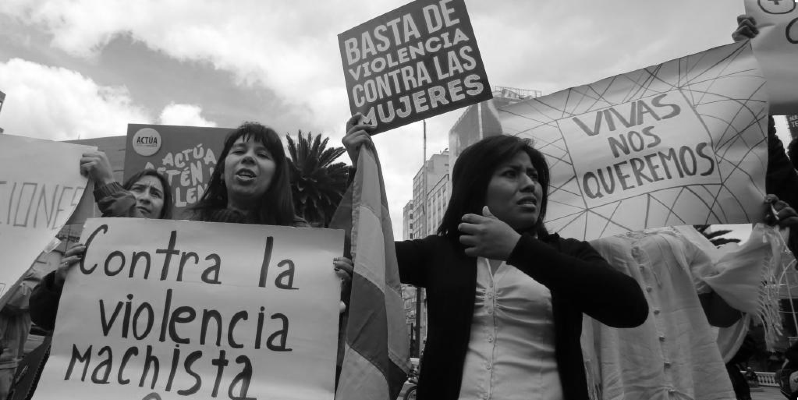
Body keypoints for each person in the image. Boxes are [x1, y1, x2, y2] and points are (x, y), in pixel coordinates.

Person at [342, 115, 649, 400]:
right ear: (475, 186)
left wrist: (518, 249)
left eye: (533, 175)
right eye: (511, 174)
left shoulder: (567, 253)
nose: (530, 184)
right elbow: (363, 252)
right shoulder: (439, 253)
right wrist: (362, 168)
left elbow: (630, 308)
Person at [29, 150, 174, 330]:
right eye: (138, 189)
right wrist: (57, 284)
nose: (145, 197)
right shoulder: (89, 250)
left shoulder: (175, 265)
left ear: (164, 210)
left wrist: (107, 182)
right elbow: (42, 319)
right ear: (127, 194)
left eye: (155, 194)